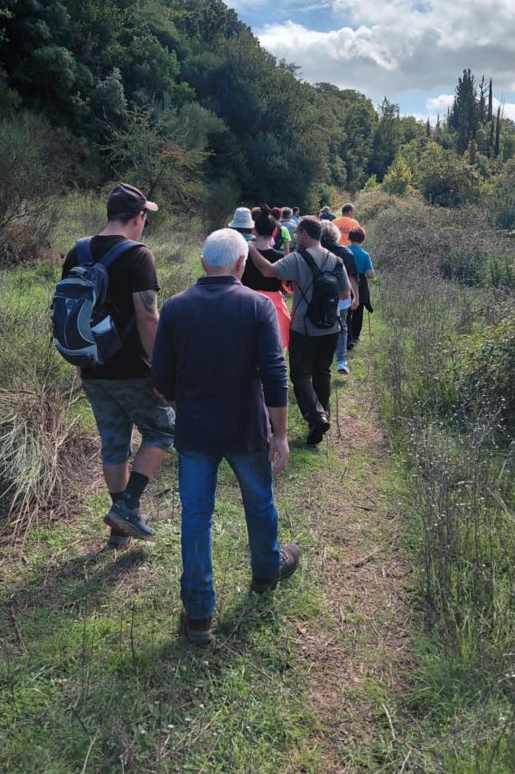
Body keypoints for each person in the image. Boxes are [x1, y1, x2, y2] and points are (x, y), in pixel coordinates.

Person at [152, 229, 300, 644]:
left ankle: (198, 614)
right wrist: (281, 433)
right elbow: (274, 373)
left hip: (196, 432)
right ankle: (267, 570)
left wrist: (186, 406)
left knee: (196, 516)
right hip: (246, 428)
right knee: (258, 499)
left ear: (203, 263)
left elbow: (161, 377)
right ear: (241, 264)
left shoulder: (176, 307)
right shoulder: (257, 306)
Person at [61, 183, 174, 549]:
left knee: (113, 442)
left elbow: (68, 311)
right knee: (161, 430)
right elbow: (148, 318)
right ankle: (127, 506)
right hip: (132, 368)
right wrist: (162, 371)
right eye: (145, 217)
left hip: (91, 366)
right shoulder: (138, 255)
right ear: (138, 217)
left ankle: (118, 528)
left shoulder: (77, 252)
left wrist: (79, 359)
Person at [248, 216, 350, 446]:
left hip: (304, 328)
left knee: (300, 375)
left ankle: (316, 416)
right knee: (323, 372)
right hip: (331, 327)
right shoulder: (336, 260)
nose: (295, 238)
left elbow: (268, 271)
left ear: (304, 234)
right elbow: (345, 295)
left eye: (297, 234)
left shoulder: (298, 258)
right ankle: (321, 419)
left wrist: (251, 248)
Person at [241, 205, 291, 348]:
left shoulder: (244, 255)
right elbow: (286, 283)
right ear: (275, 231)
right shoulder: (280, 257)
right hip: (274, 309)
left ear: (254, 230)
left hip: (247, 305)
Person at [320, 220, 359, 375]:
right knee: (341, 326)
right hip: (342, 295)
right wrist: (355, 296)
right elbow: (352, 277)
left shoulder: (315, 250)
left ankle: (322, 358)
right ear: (335, 234)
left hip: (319, 295)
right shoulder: (345, 252)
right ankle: (341, 360)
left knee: (319, 325)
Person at [347, 227, 375, 346]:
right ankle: (355, 336)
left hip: (346, 280)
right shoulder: (365, 254)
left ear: (349, 238)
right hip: (360, 282)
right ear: (362, 239)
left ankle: (346, 335)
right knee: (358, 311)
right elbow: (370, 274)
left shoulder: (344, 251)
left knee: (347, 310)